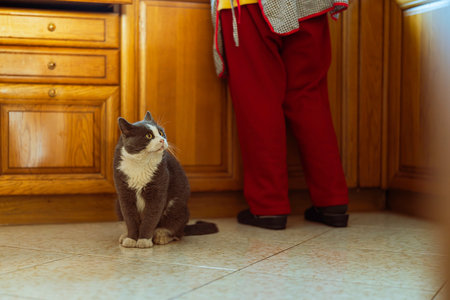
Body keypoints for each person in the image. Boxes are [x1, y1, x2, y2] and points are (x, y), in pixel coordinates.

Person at [210, 0, 350, 229]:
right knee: (310, 98)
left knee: (258, 99)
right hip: (309, 4)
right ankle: (332, 201)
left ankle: (269, 206)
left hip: (251, 6)